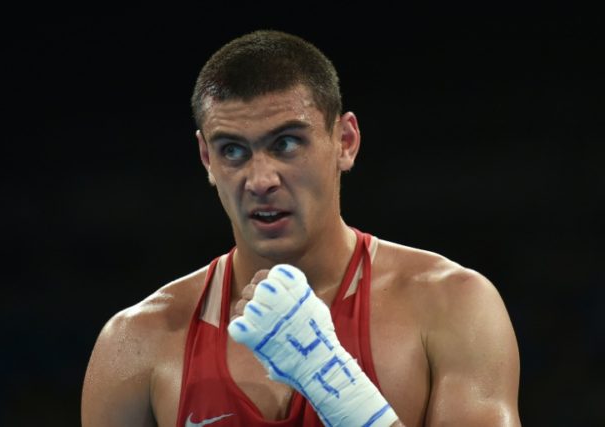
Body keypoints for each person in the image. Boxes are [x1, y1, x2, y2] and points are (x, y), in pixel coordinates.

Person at [81, 30, 521, 426]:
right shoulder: (136, 345)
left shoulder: (451, 306)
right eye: (232, 150)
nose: (260, 180)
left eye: (286, 143)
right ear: (206, 159)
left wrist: (327, 375)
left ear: (345, 142)